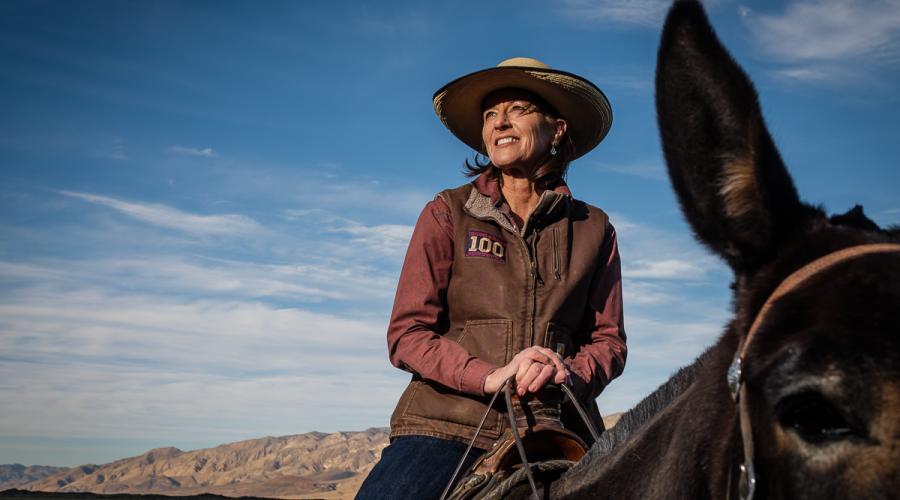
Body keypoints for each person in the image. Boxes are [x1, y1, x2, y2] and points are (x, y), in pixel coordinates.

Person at [356, 57, 626, 500]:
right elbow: (407, 334)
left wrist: (568, 373)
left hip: (560, 421)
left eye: (517, 109)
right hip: (450, 421)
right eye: (490, 115)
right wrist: (489, 376)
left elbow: (609, 341)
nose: (500, 121)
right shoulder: (448, 213)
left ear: (556, 129)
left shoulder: (595, 228)